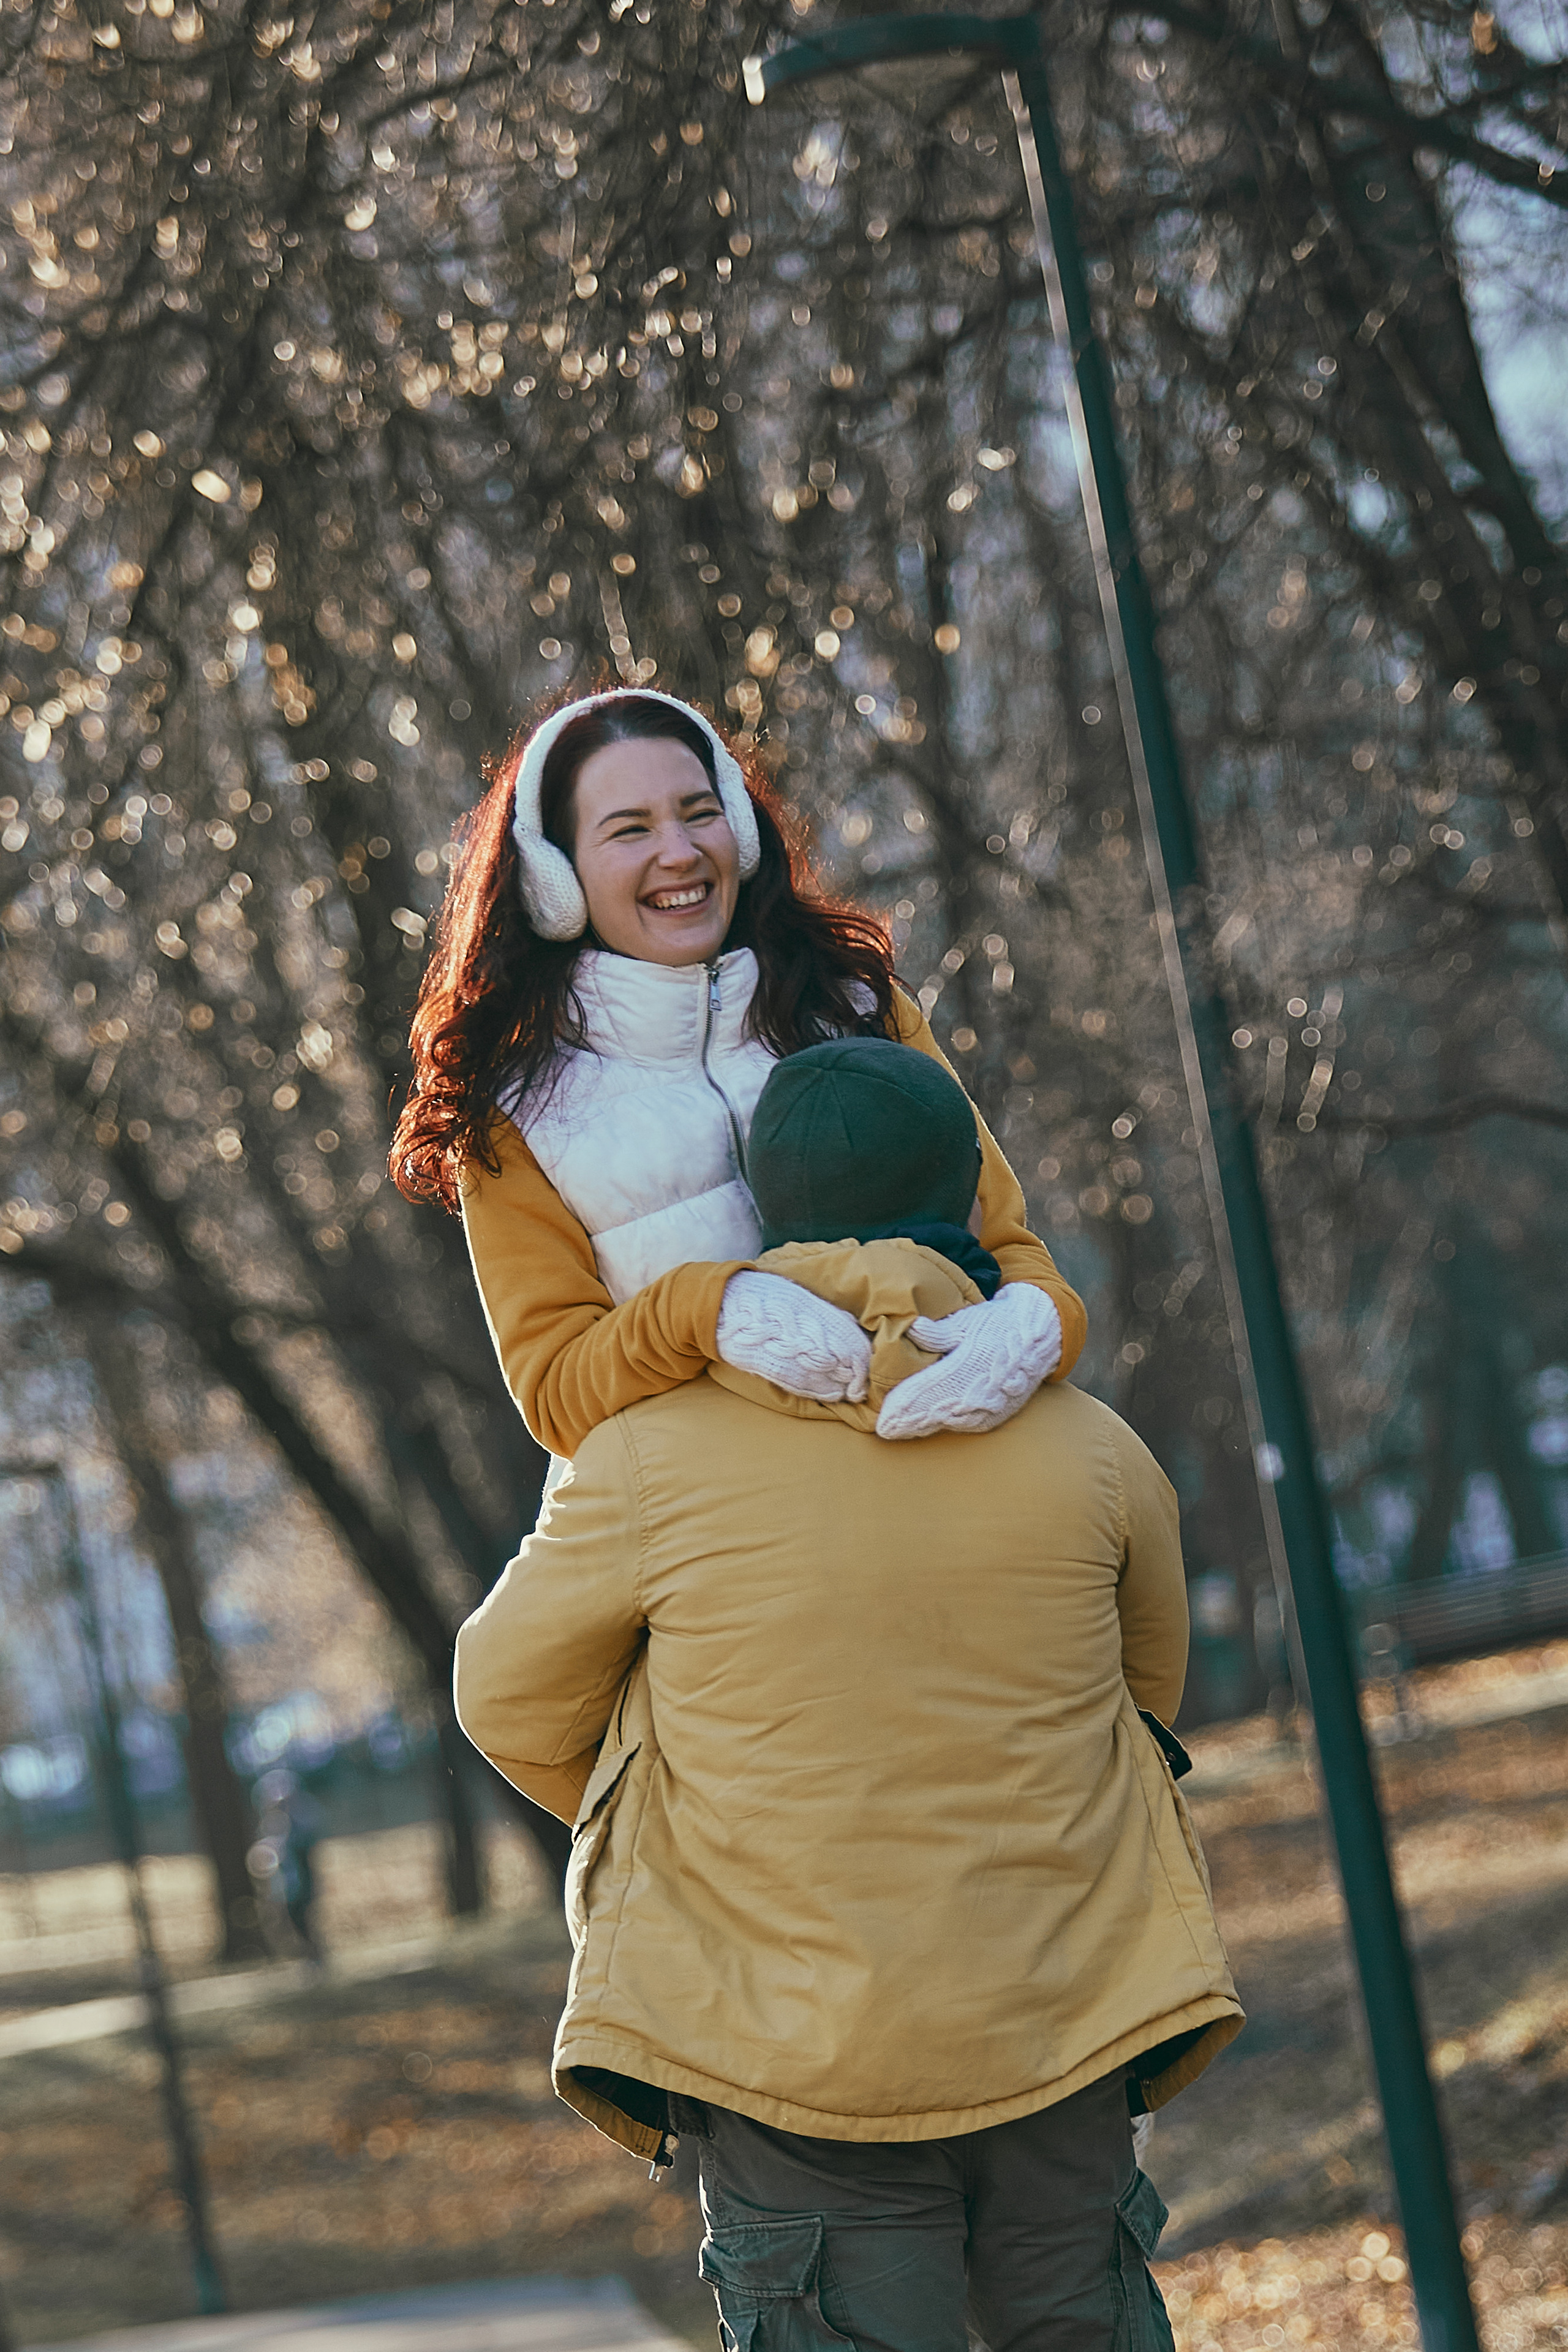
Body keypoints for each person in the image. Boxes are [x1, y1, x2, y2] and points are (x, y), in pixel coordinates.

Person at [454, 1036, 1243, 2352]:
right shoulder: (1094, 1449)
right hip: (1060, 2011)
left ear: (764, 1201)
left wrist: (683, 1810)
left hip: (786, 2051)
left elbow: (504, 1698)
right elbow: (1142, 1694)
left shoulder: (647, 1457)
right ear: (964, 1186)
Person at [390, 687, 1087, 1460]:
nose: (680, 852)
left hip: (946, 1480)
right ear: (555, 881)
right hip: (714, 1535)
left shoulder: (858, 1006)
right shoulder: (515, 1112)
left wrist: (1034, 1325)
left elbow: (1011, 1243)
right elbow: (555, 1394)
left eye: (698, 813)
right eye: (630, 831)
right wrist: (706, 1313)